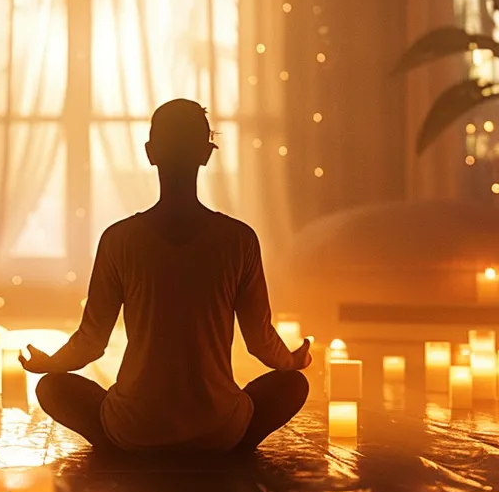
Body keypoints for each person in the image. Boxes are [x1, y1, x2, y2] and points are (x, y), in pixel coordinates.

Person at [19, 99, 311, 453]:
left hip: (134, 427)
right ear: (205, 154)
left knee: (51, 387)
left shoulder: (119, 239)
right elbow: (261, 342)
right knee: (293, 385)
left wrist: (50, 364)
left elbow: (91, 342)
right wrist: (293, 361)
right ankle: (215, 445)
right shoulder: (239, 239)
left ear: (150, 152)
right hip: (220, 429)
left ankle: (127, 448)